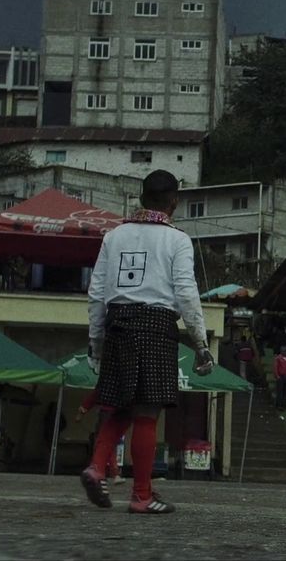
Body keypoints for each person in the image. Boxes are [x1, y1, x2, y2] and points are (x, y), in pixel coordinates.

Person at [80, 169, 211, 515]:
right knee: (148, 413)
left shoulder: (114, 236)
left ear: (140, 198)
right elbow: (186, 292)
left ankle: (96, 467)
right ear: (174, 202)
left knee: (121, 406)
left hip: (117, 322)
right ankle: (141, 495)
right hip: (156, 325)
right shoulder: (177, 240)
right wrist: (201, 342)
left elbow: (96, 293)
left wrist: (96, 342)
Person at [75, 389, 123, 485]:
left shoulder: (108, 380)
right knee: (109, 443)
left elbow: (97, 393)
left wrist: (83, 410)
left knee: (102, 442)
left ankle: (98, 470)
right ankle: (112, 472)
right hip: (117, 411)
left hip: (106, 411)